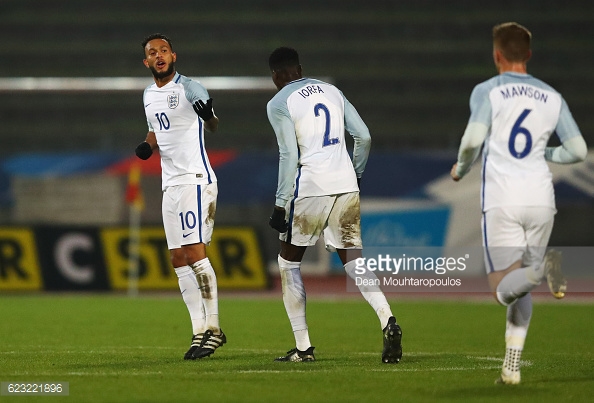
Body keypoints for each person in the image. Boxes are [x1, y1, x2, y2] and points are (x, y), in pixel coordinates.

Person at [450, 22, 587, 384]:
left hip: (503, 200)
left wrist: (461, 168)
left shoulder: (488, 91)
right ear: (528, 55)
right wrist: (545, 151)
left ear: (497, 55)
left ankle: (544, 268)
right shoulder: (552, 96)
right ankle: (511, 368)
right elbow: (578, 150)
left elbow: (472, 140)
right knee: (520, 284)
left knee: (502, 289)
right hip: (542, 199)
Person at [266, 47, 403, 364]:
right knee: (353, 261)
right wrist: (354, 174)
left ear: (275, 75)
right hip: (345, 183)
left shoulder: (278, 102)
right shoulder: (332, 91)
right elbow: (364, 137)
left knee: (288, 263)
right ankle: (388, 320)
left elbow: (288, 154)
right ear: (300, 68)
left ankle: (303, 348)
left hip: (311, 186)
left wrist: (279, 204)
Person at [135, 33, 225, 360]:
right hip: (169, 185)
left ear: (174, 55)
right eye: (152, 53)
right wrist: (148, 144)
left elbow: (212, 124)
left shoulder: (189, 88)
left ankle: (214, 328)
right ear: (146, 62)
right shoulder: (148, 95)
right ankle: (198, 330)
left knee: (195, 253)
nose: (158, 56)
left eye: (163, 50)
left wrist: (208, 114)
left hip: (194, 181)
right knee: (177, 258)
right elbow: (154, 129)